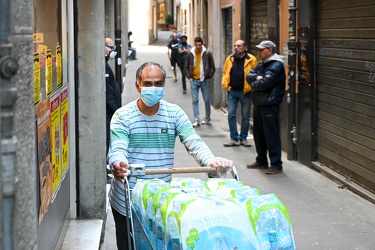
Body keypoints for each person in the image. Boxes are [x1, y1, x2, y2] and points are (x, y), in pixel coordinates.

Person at [108, 62, 234, 249]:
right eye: (148, 84)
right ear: (137, 86)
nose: (153, 88)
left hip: (160, 201)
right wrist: (118, 164)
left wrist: (211, 161)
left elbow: (194, 142)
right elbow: (117, 149)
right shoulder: (122, 116)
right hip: (126, 202)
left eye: (158, 84)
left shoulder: (174, 113)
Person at [245, 40, 286, 175]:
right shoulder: (262, 63)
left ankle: (276, 165)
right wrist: (257, 78)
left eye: (262, 50)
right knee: (259, 134)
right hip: (259, 103)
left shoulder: (276, 65)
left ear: (270, 50)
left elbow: (264, 83)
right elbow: (249, 75)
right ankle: (261, 160)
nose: (259, 52)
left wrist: (256, 82)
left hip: (269, 104)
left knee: (271, 135)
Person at [222, 40, 257, 147]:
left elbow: (255, 74)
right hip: (232, 91)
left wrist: (251, 87)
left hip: (244, 91)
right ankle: (234, 138)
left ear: (244, 48)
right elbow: (225, 72)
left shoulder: (251, 59)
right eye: (235, 46)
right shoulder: (230, 58)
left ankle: (243, 138)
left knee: (245, 116)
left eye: (239, 46)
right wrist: (225, 84)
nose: (236, 48)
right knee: (231, 114)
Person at [184, 36, 216, 127]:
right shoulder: (190, 54)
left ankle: (207, 116)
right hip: (194, 80)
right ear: (194, 44)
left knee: (206, 100)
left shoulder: (207, 53)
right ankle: (196, 119)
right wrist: (189, 76)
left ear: (202, 44)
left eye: (200, 45)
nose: (198, 46)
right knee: (195, 100)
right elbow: (186, 66)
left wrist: (208, 76)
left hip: (204, 80)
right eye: (197, 45)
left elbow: (212, 67)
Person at [105, 38, 121, 156]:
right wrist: (117, 111)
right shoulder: (103, 66)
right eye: (111, 48)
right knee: (107, 140)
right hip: (108, 113)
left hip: (110, 112)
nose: (113, 51)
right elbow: (108, 93)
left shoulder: (105, 64)